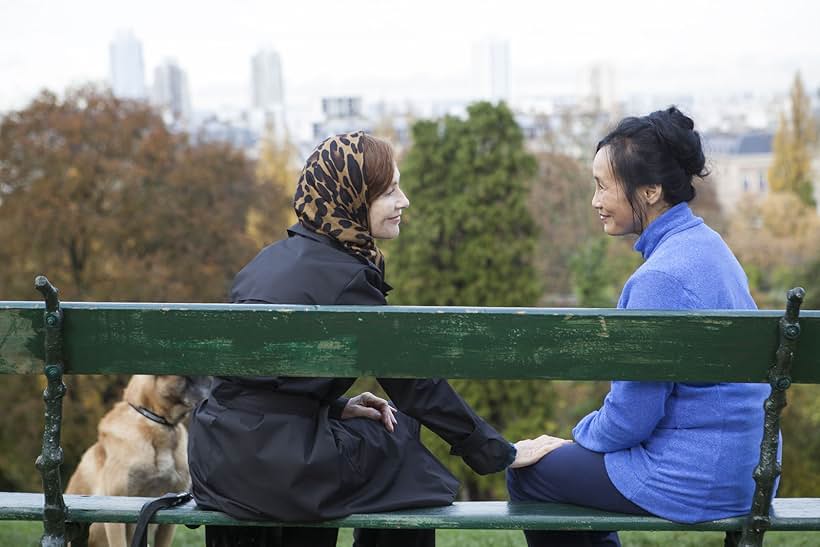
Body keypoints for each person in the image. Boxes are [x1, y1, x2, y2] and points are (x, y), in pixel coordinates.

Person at [188, 131, 517, 547]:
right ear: (351, 198)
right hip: (279, 469)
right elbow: (415, 386)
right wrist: (497, 451)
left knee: (389, 434)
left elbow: (253, 383)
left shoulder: (264, 262)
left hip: (216, 459)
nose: (404, 201)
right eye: (389, 191)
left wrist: (336, 407)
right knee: (406, 449)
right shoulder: (349, 279)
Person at [506, 107, 773, 547]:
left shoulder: (659, 279)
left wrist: (569, 440)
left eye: (602, 186)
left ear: (650, 190)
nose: (594, 200)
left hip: (695, 475)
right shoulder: (709, 246)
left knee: (530, 474)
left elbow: (631, 421)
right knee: (570, 473)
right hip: (748, 469)